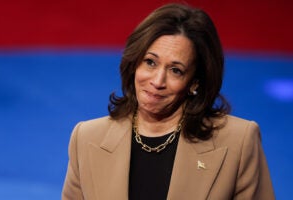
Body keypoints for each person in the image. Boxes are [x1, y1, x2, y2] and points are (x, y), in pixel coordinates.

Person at [62, 3, 274, 200]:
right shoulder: (86, 139)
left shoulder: (238, 142)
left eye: (175, 70)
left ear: (194, 82)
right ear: (134, 63)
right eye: (150, 62)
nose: (157, 81)